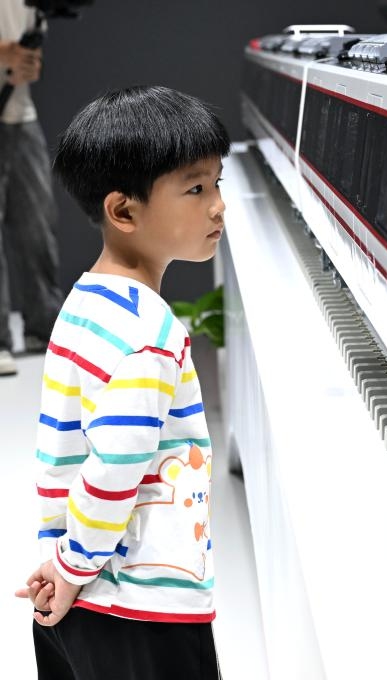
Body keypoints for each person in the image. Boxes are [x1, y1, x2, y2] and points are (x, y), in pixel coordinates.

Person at [13, 85, 228, 680]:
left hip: (74, 595)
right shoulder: (147, 333)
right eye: (195, 188)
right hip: (139, 607)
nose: (217, 206)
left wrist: (62, 565)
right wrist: (76, 566)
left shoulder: (84, 303)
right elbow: (115, 467)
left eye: (217, 183)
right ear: (124, 211)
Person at [0, 0, 63, 376]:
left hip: (19, 113)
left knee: (36, 225)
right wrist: (6, 52)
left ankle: (45, 329)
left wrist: (26, 61)